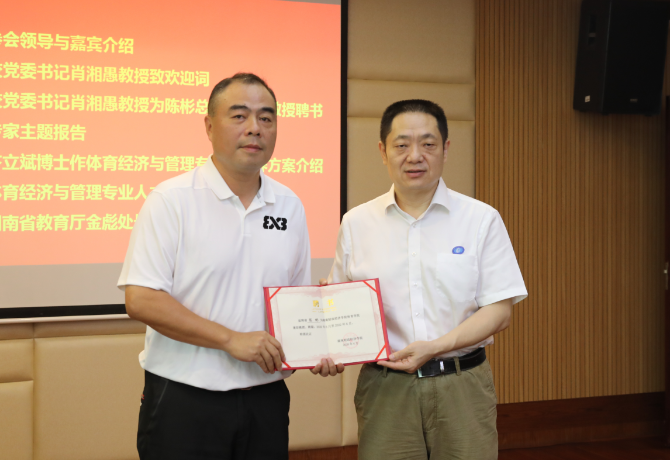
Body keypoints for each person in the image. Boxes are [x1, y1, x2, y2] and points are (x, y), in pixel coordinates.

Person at [117, 73, 312, 460]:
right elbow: (141, 299)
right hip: (185, 400)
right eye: (239, 116)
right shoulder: (172, 199)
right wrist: (229, 339)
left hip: (266, 399)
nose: (254, 128)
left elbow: (296, 302)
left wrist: (321, 347)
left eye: (266, 118)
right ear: (209, 126)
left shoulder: (290, 205)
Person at [320, 99, 528, 459]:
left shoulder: (481, 219)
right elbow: (340, 308)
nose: (414, 156)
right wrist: (329, 345)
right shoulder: (356, 223)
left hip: (462, 384)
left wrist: (435, 347)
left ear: (445, 149)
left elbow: (500, 311)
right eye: (401, 145)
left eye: (428, 144)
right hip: (386, 389)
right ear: (383, 152)